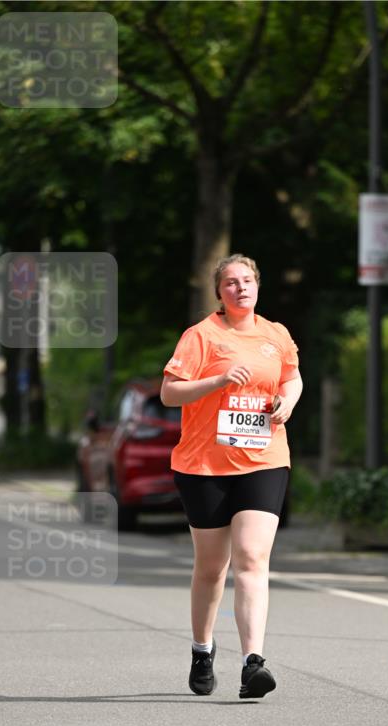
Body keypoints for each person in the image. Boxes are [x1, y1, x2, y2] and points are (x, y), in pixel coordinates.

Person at [160, 254, 303, 699]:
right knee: (211, 568)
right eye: (230, 283)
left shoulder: (275, 334)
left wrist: (288, 402)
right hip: (205, 465)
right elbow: (169, 393)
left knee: (252, 558)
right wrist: (219, 380)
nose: (240, 288)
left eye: (247, 281)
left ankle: (252, 662)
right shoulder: (202, 336)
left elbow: (292, 378)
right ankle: (202, 650)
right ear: (219, 293)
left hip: (264, 458)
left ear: (258, 286)